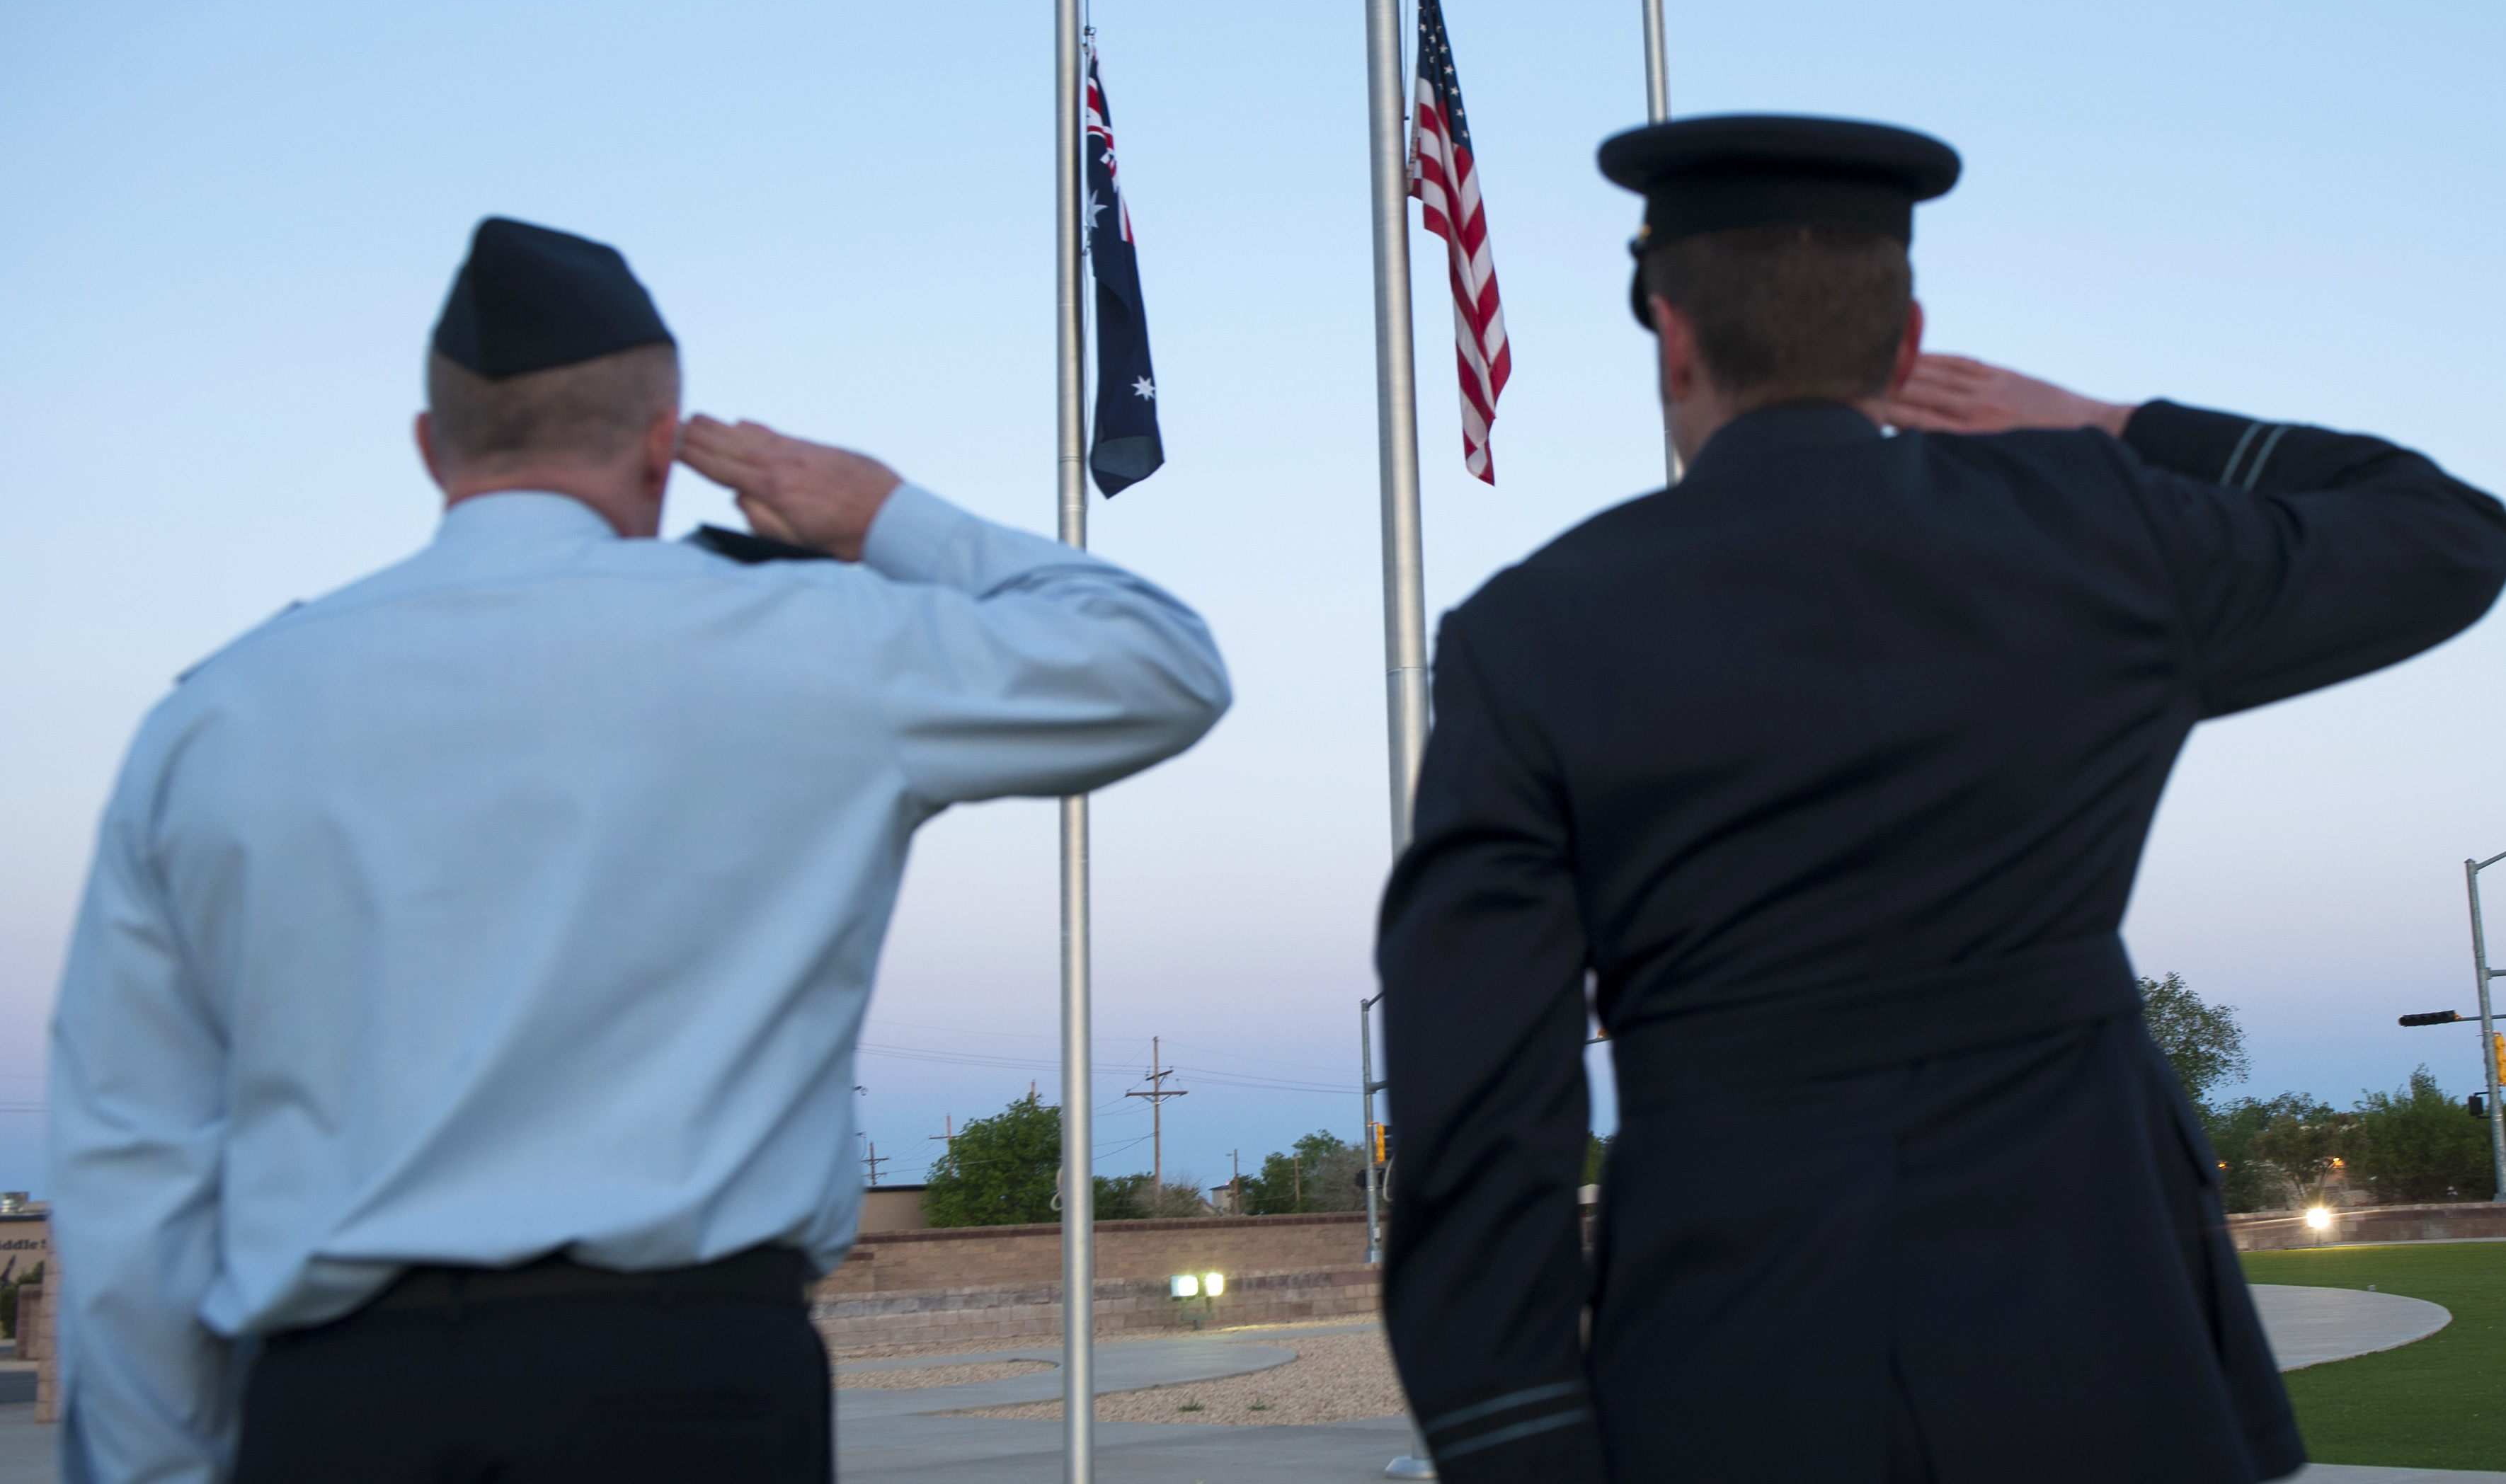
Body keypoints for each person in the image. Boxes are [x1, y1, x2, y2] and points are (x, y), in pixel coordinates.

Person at [1375, 115, 2506, 1483]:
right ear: (1909, 343)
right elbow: (2447, 534)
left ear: (1672, 332)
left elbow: (1477, 1097)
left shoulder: (1530, 631)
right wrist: (2115, 424)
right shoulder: (2101, 528)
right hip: (2109, 1333)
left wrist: (1523, 1448)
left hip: (1727, 1348)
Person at [49, 216, 1230, 1483]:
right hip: (687, 1392)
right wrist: (881, 512)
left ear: (430, 446)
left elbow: (133, 1159)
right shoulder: (813, 645)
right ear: (668, 447)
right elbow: (1158, 663)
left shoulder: (222, 712)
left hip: (341, 1404)